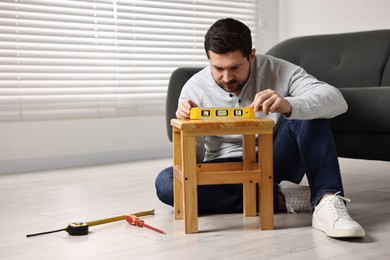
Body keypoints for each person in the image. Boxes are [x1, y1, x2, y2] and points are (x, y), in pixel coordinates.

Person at [155, 18, 365, 238]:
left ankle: (327, 200)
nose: (227, 78)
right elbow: (195, 162)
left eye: (235, 67)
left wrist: (289, 105)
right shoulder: (194, 88)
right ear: (208, 59)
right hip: (224, 167)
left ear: (252, 56)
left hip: (273, 161)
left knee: (308, 109)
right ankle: (281, 198)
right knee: (167, 184)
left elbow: (336, 100)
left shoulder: (279, 70)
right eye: (218, 68)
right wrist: (192, 127)